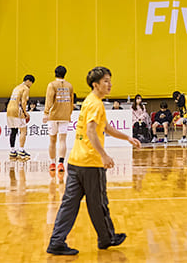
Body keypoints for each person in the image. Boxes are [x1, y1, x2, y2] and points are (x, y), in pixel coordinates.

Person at [47, 66, 140, 256]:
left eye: (110, 80)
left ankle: (56, 241)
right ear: (95, 84)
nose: (110, 84)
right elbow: (91, 131)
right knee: (98, 203)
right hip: (91, 163)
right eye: (106, 81)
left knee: (69, 204)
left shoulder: (89, 101)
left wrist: (127, 138)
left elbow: (105, 127)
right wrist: (104, 155)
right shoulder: (96, 104)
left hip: (75, 162)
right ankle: (107, 238)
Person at [43, 65, 74, 173]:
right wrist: (69, 113)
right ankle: (61, 163)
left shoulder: (52, 85)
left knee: (52, 140)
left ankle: (52, 163)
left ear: (55, 73)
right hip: (65, 116)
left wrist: (46, 113)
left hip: (53, 116)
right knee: (62, 140)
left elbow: (49, 100)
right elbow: (71, 101)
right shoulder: (69, 86)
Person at [7, 74, 35, 160]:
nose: (31, 85)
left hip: (9, 110)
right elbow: (23, 102)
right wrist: (25, 113)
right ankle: (21, 150)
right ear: (28, 81)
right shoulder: (25, 88)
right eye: (31, 83)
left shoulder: (16, 88)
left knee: (13, 130)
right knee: (23, 130)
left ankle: (12, 151)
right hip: (17, 110)